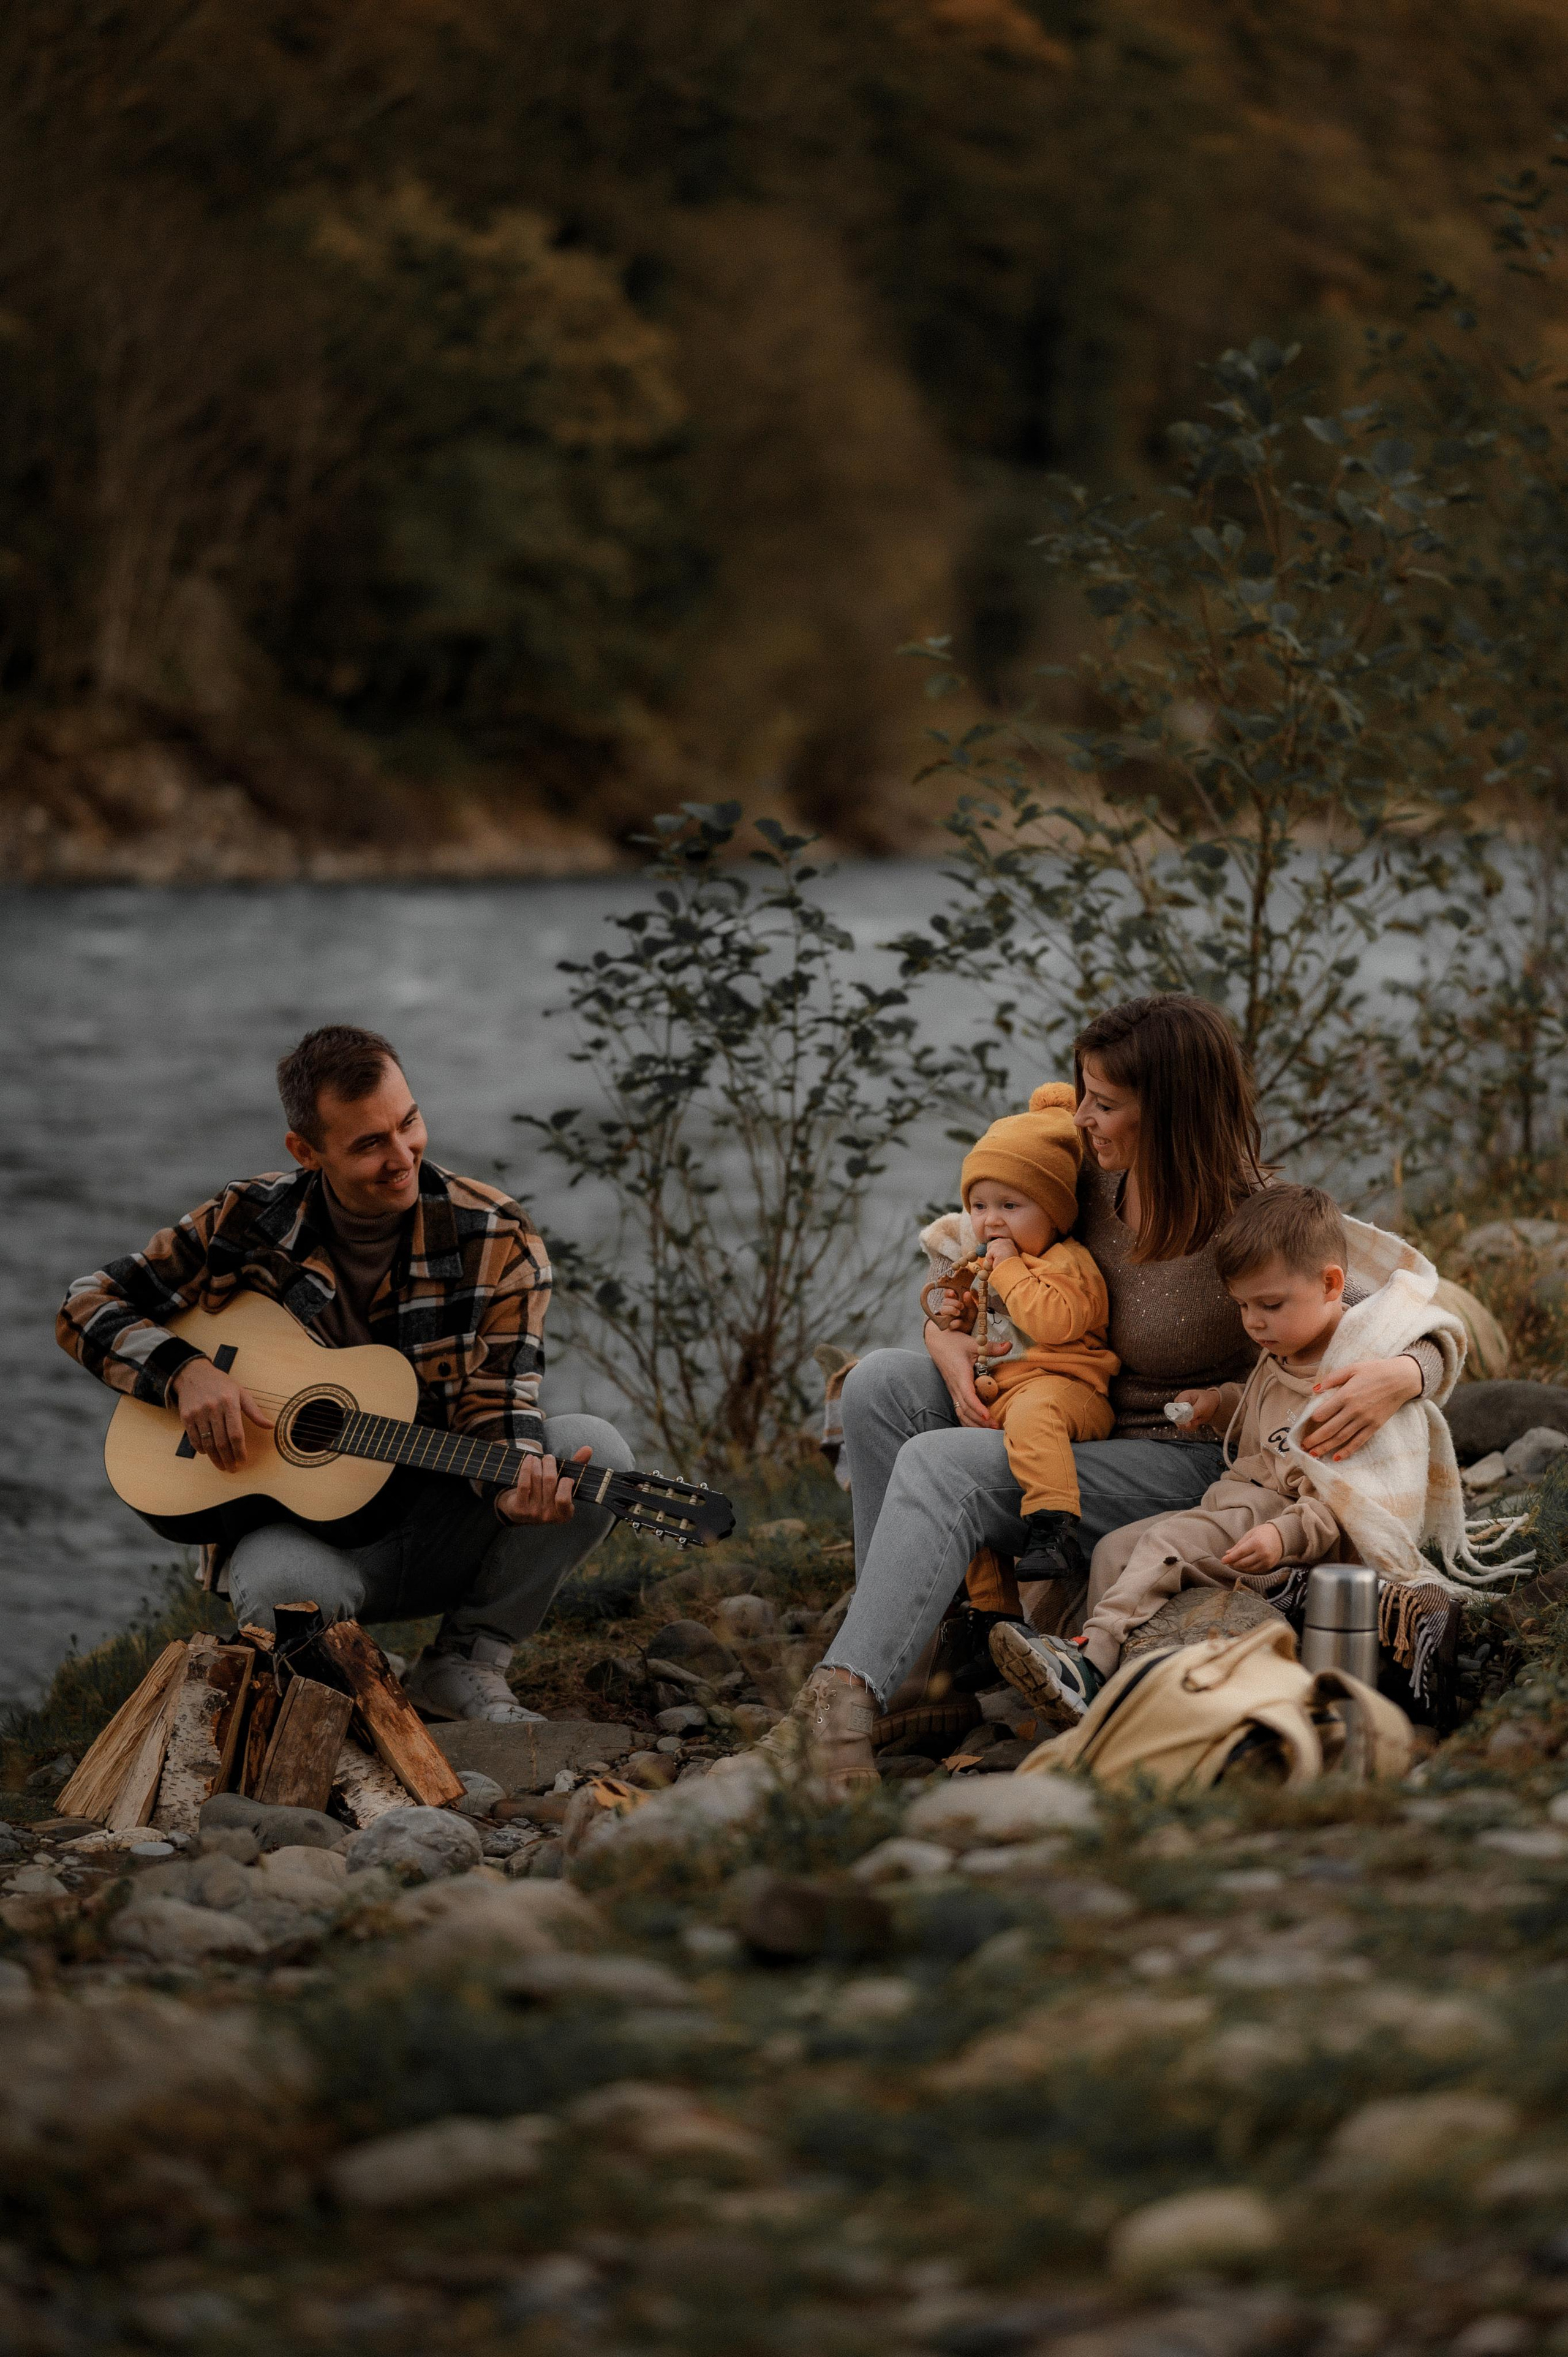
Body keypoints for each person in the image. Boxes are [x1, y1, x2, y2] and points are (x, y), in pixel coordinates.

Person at [759, 994, 1456, 1791]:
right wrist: (945, 1337)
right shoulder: (1087, 1174)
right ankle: (920, 1666)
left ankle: (840, 1702)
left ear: (1171, 1111)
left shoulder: (1255, 1211)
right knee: (880, 1383)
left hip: (1189, 1462)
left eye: (1107, 1103)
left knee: (943, 1465)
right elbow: (971, 1241)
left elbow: (1408, 1309)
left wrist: (1406, 1373)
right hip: (1066, 1424)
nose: (1085, 1116)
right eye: (1083, 1093)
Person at [57, 1024, 633, 1723]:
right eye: (368, 1144)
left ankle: (465, 1663)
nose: (403, 1157)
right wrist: (184, 1371)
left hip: (444, 1521)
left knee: (596, 1452)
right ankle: (347, 1676)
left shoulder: (496, 1236)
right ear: (306, 1151)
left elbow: (499, 1398)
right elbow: (87, 1302)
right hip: (309, 1544)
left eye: (409, 1123)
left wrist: (515, 1488)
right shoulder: (247, 1220)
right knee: (277, 1591)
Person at [991, 1184, 1373, 1723]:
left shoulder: (1346, 1383)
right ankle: (1095, 1680)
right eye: (1243, 1306)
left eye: (1269, 1305)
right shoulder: (1285, 1349)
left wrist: (1281, 1536)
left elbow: (1340, 1501)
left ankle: (1093, 1662)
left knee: (1167, 1541)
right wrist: (1219, 1404)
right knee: (1114, 1551)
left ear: (1332, 1284)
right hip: (1235, 1500)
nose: (1254, 1322)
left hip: (1277, 1518)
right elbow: (1265, 1419)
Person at [916, 1083, 1117, 1583]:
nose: (990, 1221)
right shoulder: (986, 1268)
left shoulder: (1067, 1261)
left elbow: (1055, 1322)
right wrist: (958, 1321)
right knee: (957, 1461)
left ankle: (1055, 1526)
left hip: (1072, 1390)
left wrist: (1007, 1271)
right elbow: (968, 1325)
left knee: (1035, 1412)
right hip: (1004, 1392)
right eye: (979, 1206)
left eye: (1010, 1205)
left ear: (1054, 1211)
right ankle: (988, 1602)